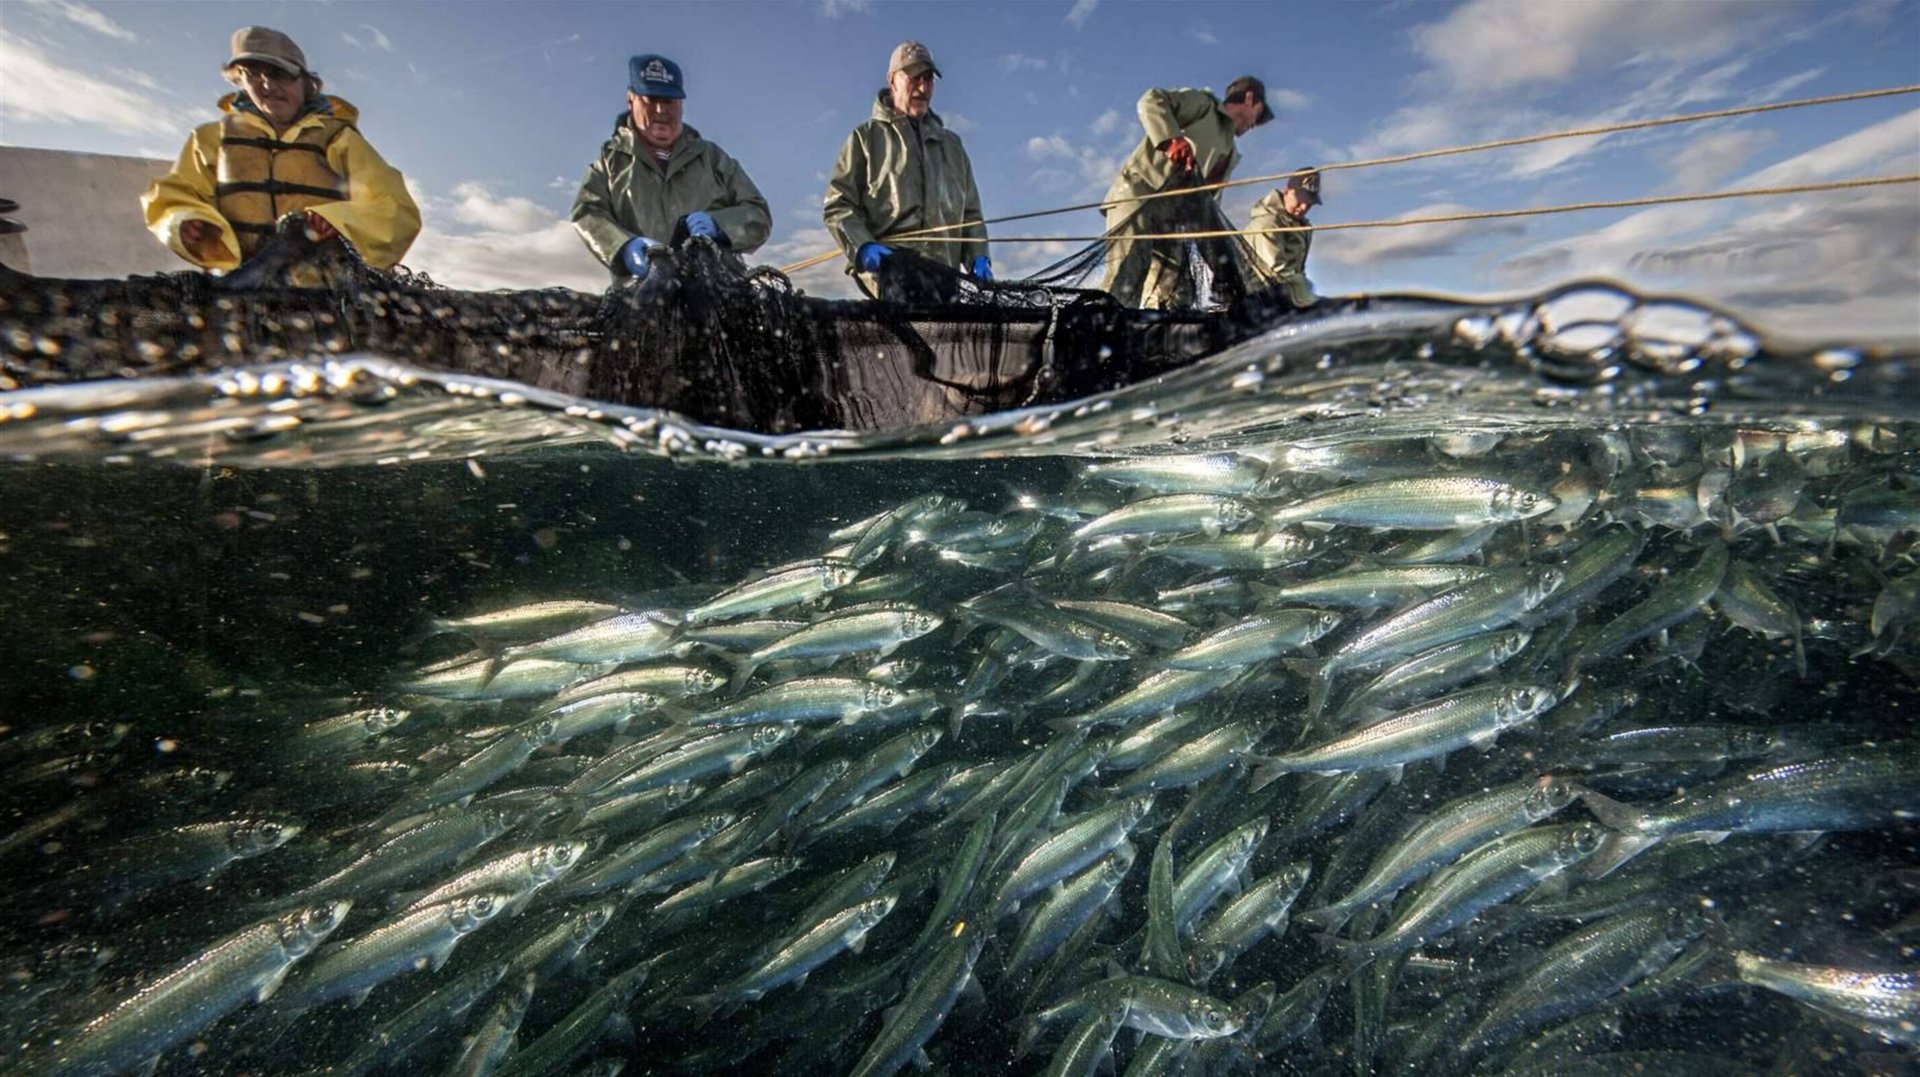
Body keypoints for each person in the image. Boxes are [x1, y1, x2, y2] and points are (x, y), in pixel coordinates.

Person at [142, 26, 421, 272]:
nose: (267, 85)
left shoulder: (339, 137)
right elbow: (171, 199)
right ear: (239, 80)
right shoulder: (210, 138)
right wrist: (184, 222)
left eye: (279, 74)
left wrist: (337, 221)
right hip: (236, 286)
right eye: (253, 74)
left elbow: (396, 210)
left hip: (325, 288)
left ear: (306, 81)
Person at [572, 54, 771, 281]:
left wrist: (721, 226)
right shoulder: (609, 162)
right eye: (651, 99)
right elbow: (587, 213)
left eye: (668, 101)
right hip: (640, 300)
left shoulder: (712, 157)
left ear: (681, 105)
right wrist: (624, 247)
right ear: (631, 100)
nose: (660, 110)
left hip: (717, 293)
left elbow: (759, 214)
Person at [823, 41, 989, 297]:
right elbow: (839, 205)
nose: (923, 88)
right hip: (890, 281)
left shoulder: (953, 146)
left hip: (945, 282)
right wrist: (863, 246)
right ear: (893, 80)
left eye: (929, 79)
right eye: (914, 78)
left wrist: (979, 257)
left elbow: (971, 214)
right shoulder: (864, 139)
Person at [1101, 76, 1274, 310]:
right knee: (1128, 276)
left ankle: (1156, 342)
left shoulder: (1230, 153)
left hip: (1172, 222)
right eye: (1259, 114)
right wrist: (1170, 140)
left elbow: (1209, 207)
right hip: (1138, 195)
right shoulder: (1203, 106)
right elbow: (1151, 100)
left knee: (1178, 291)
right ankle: (1102, 339)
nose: (1256, 124)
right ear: (1250, 98)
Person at [1246, 168, 1322, 309]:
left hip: (1289, 295)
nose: (1304, 207)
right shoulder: (1267, 224)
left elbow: (1298, 269)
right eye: (1300, 199)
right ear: (1287, 191)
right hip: (1262, 300)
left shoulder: (1302, 227)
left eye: (1309, 203)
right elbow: (1275, 272)